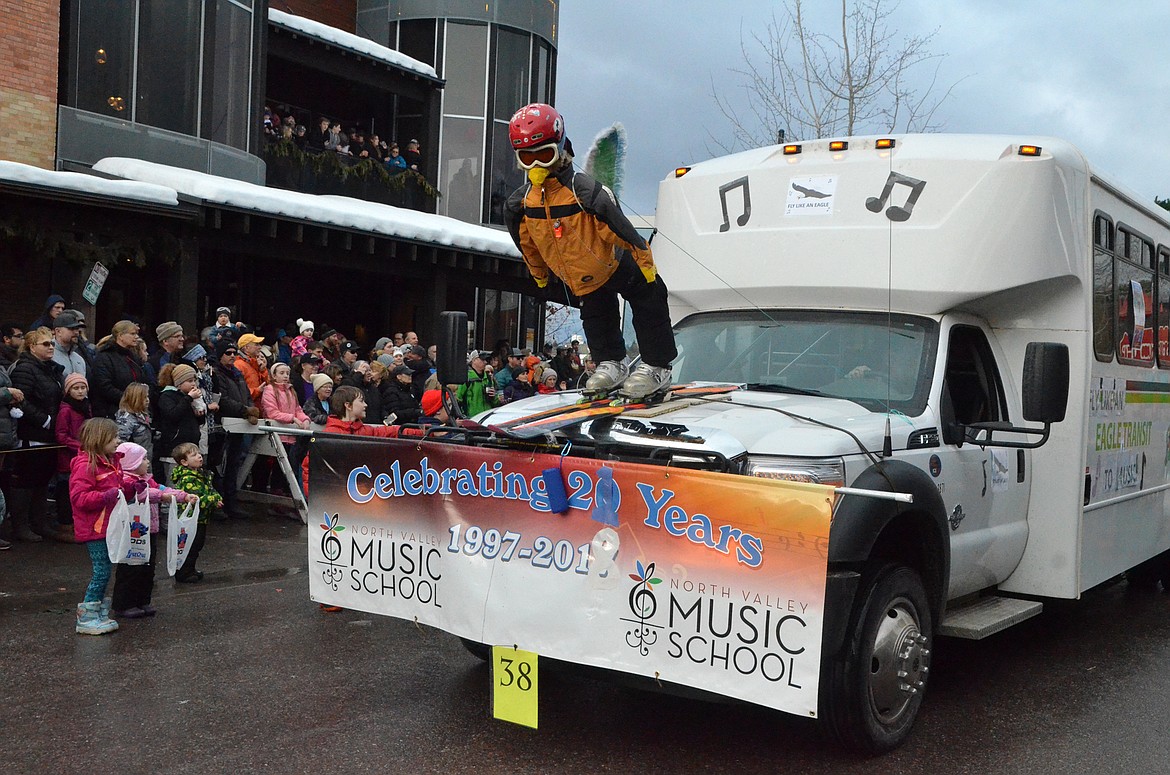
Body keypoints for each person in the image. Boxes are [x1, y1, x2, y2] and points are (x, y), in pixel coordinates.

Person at [504, 103, 677, 399]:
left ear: (559, 149)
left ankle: (657, 365)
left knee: (648, 297)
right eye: (527, 158)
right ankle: (611, 362)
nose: (536, 167)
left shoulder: (583, 189)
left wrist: (642, 256)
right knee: (596, 312)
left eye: (544, 156)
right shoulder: (521, 204)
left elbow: (618, 224)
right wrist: (539, 274)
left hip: (614, 261)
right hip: (581, 273)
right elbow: (526, 243)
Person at [111, 441, 193, 618]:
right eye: (143, 459)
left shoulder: (147, 479)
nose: (147, 462)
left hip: (150, 531)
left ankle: (143, 600)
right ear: (132, 463)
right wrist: (164, 496)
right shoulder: (126, 482)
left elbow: (160, 488)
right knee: (130, 568)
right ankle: (123, 603)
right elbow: (144, 494)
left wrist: (182, 496)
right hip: (133, 532)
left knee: (148, 567)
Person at [69, 417, 132, 635]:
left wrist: (132, 488)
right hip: (94, 529)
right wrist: (106, 496)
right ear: (99, 438)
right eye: (114, 437)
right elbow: (79, 498)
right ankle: (86, 617)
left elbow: (120, 487)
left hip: (110, 526)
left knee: (106, 570)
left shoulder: (111, 462)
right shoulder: (85, 465)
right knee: (101, 571)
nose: (118, 441)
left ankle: (99, 613)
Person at [8, 327, 64, 542]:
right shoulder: (26, 368)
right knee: (26, 479)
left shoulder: (49, 369)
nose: (51, 347)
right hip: (32, 432)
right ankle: (20, 526)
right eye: (46, 344)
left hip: (49, 434)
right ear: (32, 347)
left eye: (52, 343)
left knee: (42, 478)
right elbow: (21, 398)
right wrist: (45, 419)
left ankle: (40, 522)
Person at [210, 340, 257, 519]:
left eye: (233, 353)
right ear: (220, 354)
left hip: (239, 425)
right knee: (219, 466)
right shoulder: (217, 373)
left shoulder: (237, 373)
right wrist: (244, 410)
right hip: (223, 426)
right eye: (227, 353)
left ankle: (232, 502)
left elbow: (246, 395)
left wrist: (251, 409)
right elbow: (222, 399)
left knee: (233, 465)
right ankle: (220, 503)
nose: (231, 356)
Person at [169, 442, 221, 583]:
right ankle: (183, 572)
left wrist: (216, 497)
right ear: (184, 462)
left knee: (197, 545)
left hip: (201, 518)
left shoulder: (201, 475)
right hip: (191, 519)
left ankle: (190, 569)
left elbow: (209, 490)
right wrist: (213, 500)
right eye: (194, 455)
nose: (199, 457)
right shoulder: (188, 479)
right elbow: (196, 499)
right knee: (190, 545)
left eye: (199, 454)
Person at [260, 362, 311, 489]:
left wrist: (305, 419)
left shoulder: (291, 390)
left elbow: (297, 409)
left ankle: (284, 494)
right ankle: (274, 494)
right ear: (274, 375)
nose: (285, 376)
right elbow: (272, 413)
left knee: (288, 469)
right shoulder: (269, 390)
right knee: (275, 468)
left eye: (287, 373)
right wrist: (292, 418)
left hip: (290, 437)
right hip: (275, 436)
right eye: (281, 373)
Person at [53, 372, 92, 541]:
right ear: (68, 391)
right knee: (66, 491)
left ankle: (78, 526)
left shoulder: (86, 406)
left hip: (84, 455)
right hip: (68, 458)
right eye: (76, 388)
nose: (80, 391)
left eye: (83, 387)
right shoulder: (66, 410)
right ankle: (65, 525)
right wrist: (81, 446)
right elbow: (61, 435)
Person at [91, 320, 149, 418]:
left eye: (136, 334)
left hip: (135, 411)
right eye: (132, 334)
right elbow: (104, 387)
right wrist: (130, 399)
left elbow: (142, 379)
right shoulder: (104, 357)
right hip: (112, 412)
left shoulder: (133, 357)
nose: (136, 337)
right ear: (121, 336)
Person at [157, 364, 205, 473]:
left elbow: (199, 422)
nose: (193, 384)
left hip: (191, 447)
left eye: (194, 380)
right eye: (189, 381)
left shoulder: (190, 397)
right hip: (175, 447)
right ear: (178, 383)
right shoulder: (167, 396)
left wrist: (200, 414)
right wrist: (188, 398)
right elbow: (173, 414)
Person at [115, 382, 153, 461]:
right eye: (143, 398)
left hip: (144, 458)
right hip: (132, 461)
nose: (147, 400)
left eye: (147, 397)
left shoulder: (143, 415)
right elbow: (120, 443)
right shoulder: (126, 419)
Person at [456, 351, 498, 416]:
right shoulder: (466, 377)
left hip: (487, 417)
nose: (485, 362)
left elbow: (495, 402)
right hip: (471, 418)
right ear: (474, 360)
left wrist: (494, 396)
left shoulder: (488, 377)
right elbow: (458, 398)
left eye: (486, 360)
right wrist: (460, 416)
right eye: (482, 359)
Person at [51, 310, 88, 379]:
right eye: (72, 329)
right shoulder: (48, 355)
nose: (76, 332)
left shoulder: (79, 359)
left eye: (77, 329)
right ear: (58, 331)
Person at [234, 333, 269, 403]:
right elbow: (239, 392)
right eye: (256, 344)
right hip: (249, 408)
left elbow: (268, 384)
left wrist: (263, 370)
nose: (260, 347)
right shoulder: (239, 365)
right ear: (246, 347)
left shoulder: (255, 363)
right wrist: (257, 391)